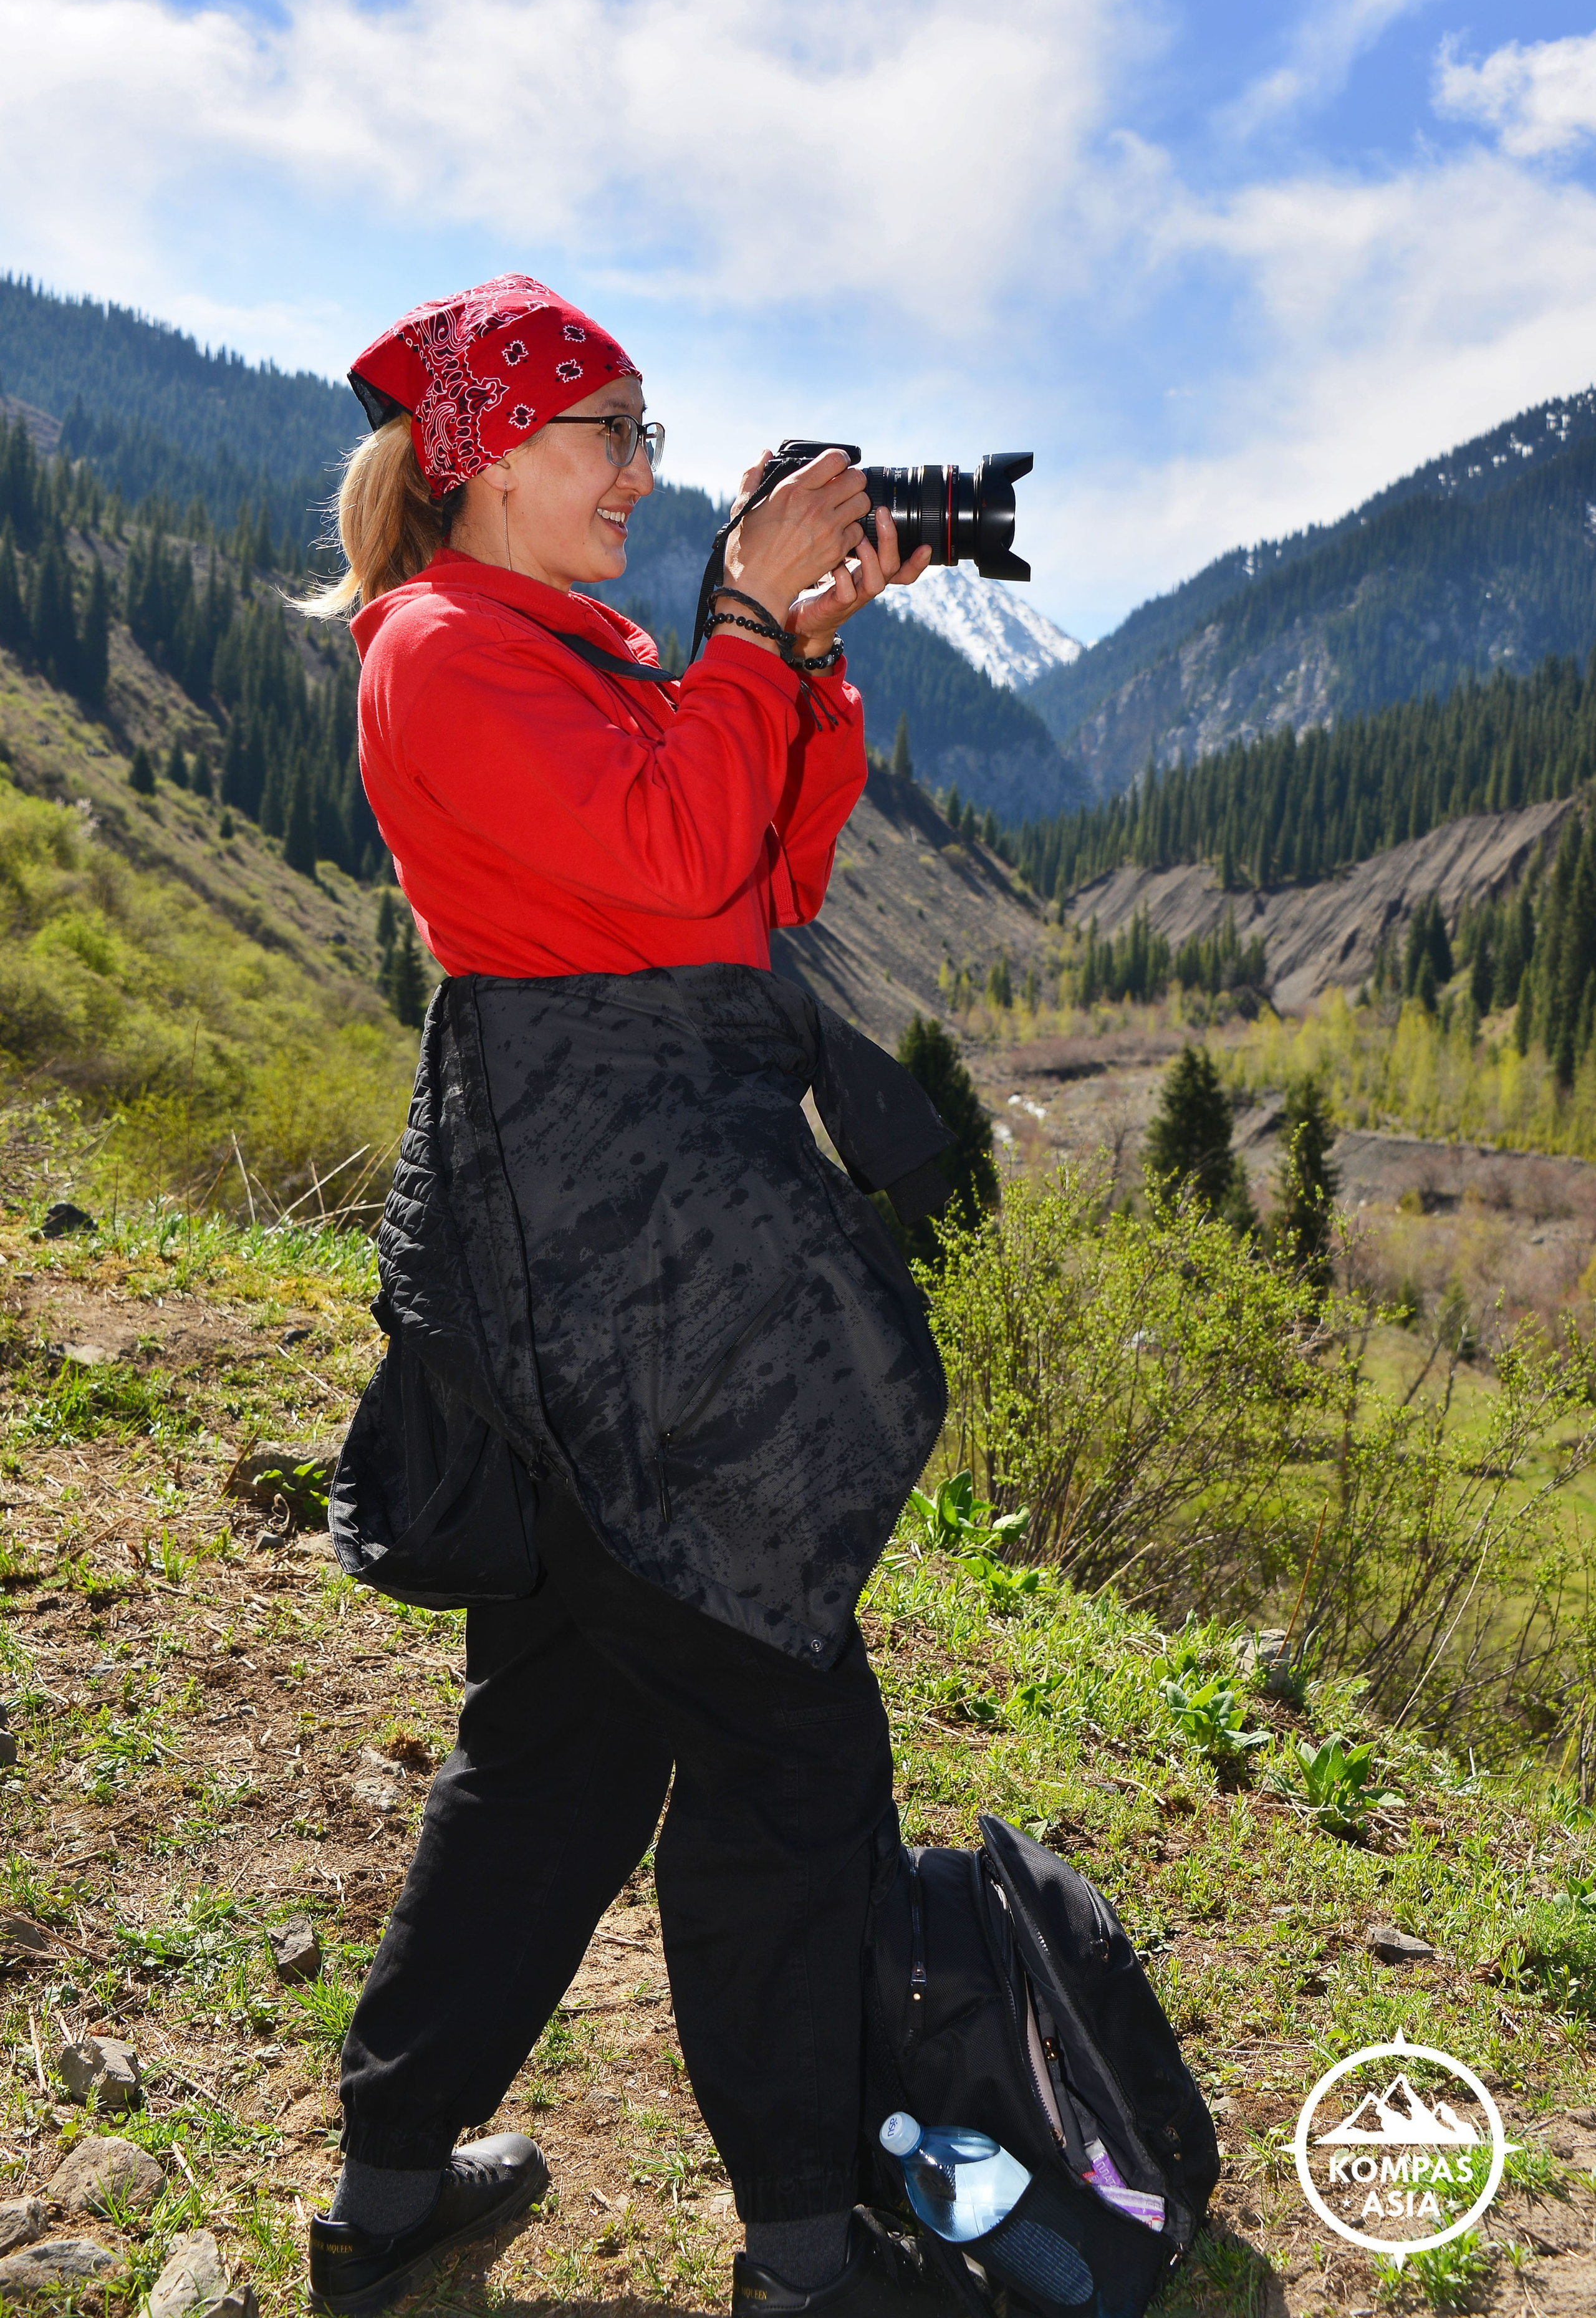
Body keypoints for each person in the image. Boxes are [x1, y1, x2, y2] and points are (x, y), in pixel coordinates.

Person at [302, 276, 954, 2318]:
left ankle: (393, 2198)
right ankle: (802, 2254)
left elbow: (766, 877)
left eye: (651, 439)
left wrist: (803, 661)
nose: (643, 477)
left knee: (564, 1737)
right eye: (611, 436)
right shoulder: (438, 651)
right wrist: (741, 632)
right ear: (486, 454)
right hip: (610, 1271)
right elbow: (683, 870)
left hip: (606, 1244)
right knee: (787, 1740)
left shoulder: (553, 646)